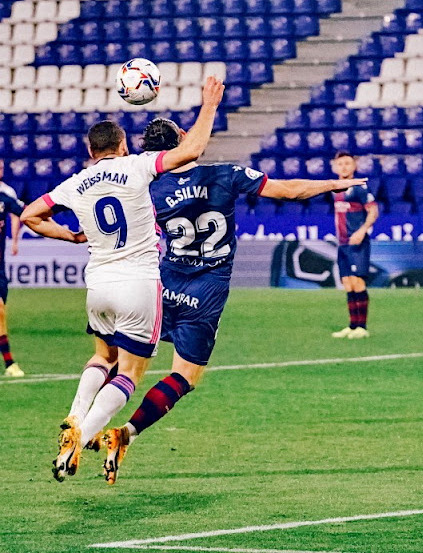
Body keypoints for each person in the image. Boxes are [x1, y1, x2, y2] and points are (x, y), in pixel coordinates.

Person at [102, 119, 370, 484]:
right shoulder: (226, 174)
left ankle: (85, 424)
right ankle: (127, 433)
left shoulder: (146, 186)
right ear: (184, 140)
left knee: (126, 368)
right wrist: (332, 185)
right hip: (206, 292)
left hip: (162, 285)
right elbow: (289, 191)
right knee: (184, 376)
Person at [20, 76, 225, 481]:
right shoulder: (137, 166)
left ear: (90, 151)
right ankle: (84, 433)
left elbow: (29, 215)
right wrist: (209, 105)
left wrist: (71, 235)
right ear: (124, 145)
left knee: (102, 357)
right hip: (138, 284)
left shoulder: (76, 182)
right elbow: (192, 149)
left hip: (97, 284)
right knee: (130, 372)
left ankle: (75, 416)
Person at [331, 151, 379, 340]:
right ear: (335, 167)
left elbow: (373, 211)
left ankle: (362, 326)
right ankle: (352, 326)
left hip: (356, 242)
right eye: (340, 163)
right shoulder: (335, 189)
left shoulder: (359, 188)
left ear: (354, 167)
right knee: (348, 283)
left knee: (358, 282)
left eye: (347, 163)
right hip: (342, 243)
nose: (343, 167)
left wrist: (362, 231)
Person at [0, 160, 25, 377]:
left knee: (1, 312)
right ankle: (9, 363)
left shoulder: (5, 195)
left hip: (0, 267)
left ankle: (9, 365)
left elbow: (23, 212)